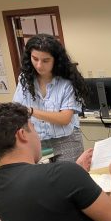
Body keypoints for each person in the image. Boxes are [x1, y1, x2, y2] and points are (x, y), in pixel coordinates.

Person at [13, 33, 90, 162]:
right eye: (35, 59)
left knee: (67, 179)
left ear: (56, 60)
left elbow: (64, 118)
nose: (38, 65)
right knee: (42, 180)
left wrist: (31, 111)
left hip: (66, 140)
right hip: (36, 140)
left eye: (45, 60)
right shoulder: (24, 79)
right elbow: (17, 109)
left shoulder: (67, 82)